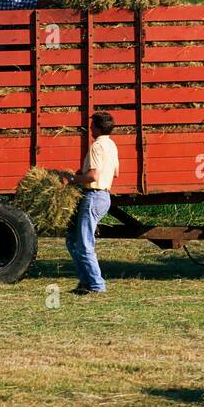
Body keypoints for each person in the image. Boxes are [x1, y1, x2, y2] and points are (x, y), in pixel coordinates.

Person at [63, 110, 118, 296]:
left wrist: (72, 179)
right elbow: (114, 172)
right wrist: (83, 172)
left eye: (92, 124)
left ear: (96, 127)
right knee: (72, 239)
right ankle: (85, 281)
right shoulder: (111, 145)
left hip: (93, 196)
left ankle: (96, 285)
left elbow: (93, 176)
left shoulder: (96, 146)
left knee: (84, 244)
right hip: (104, 196)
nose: (90, 128)